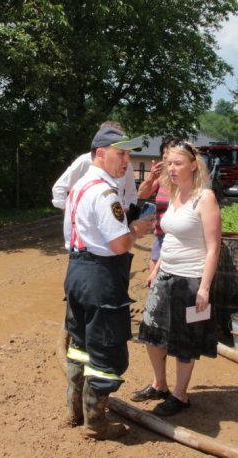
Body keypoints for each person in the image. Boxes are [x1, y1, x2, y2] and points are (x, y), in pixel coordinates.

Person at [63, 125, 156, 440]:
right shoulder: (105, 192)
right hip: (100, 277)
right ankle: (96, 424)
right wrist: (138, 229)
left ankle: (73, 411)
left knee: (80, 345)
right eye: (122, 153)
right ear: (101, 154)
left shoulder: (79, 187)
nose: (127, 160)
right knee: (106, 351)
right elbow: (118, 245)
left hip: (76, 270)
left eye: (128, 153)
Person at [131, 140, 221, 416]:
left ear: (193, 165)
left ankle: (181, 396)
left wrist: (204, 288)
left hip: (191, 281)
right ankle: (160, 384)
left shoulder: (204, 198)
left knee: (186, 340)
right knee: (151, 331)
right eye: (169, 163)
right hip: (166, 275)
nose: (171, 168)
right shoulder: (173, 194)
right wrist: (156, 269)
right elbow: (167, 237)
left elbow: (214, 247)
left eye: (178, 163)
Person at [51, 121, 138, 211]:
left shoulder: (126, 164)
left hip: (116, 220)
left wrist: (127, 214)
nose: (126, 159)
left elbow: (131, 193)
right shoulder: (84, 161)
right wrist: (72, 214)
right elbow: (59, 188)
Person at [137, 136, 181, 273]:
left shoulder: (186, 179)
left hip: (179, 238)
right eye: (163, 153)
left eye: (168, 152)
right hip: (161, 235)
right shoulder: (161, 178)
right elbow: (142, 194)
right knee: (154, 280)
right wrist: (151, 177)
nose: (165, 156)